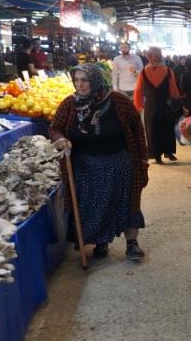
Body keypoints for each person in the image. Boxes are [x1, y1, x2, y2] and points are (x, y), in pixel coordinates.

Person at [50, 64, 148, 262]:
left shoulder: (117, 100)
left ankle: (132, 244)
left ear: (95, 80)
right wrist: (60, 139)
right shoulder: (70, 104)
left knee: (127, 202)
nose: (80, 84)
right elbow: (55, 128)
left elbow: (137, 128)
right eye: (77, 80)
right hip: (86, 166)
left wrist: (143, 158)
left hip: (118, 162)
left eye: (85, 80)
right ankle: (101, 241)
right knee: (94, 206)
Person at [133, 47, 181, 164]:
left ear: (148, 57)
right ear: (160, 56)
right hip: (166, 105)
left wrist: (138, 105)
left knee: (152, 129)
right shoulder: (168, 71)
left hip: (151, 106)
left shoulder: (144, 72)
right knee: (167, 128)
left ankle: (156, 155)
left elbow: (138, 90)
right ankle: (168, 152)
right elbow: (173, 90)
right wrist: (178, 104)